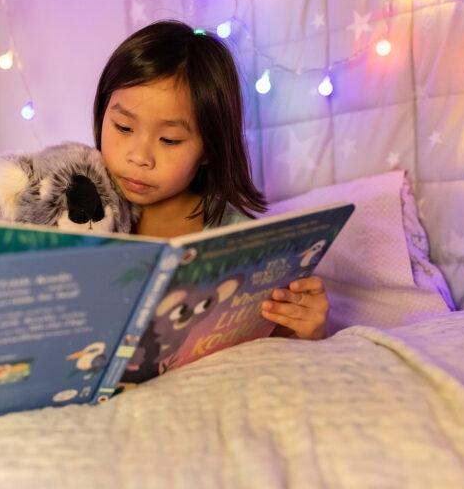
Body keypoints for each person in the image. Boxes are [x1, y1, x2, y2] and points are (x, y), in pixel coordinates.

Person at [93, 19, 327, 340]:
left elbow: (274, 340)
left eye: (170, 140)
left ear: (208, 148)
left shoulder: (242, 243)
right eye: (123, 127)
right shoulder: (80, 211)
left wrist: (304, 327)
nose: (139, 157)